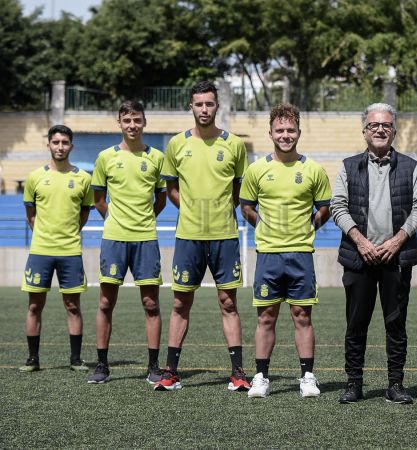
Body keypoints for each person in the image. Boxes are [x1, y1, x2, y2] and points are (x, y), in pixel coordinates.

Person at [154, 81, 250, 391]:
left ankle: (237, 373)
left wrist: (219, 210)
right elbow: (171, 189)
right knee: (181, 303)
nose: (204, 110)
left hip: (224, 236)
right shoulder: (176, 144)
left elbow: (239, 191)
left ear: (217, 106)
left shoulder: (234, 145)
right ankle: (171, 371)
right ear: (191, 107)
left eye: (209, 104)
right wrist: (193, 209)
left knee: (228, 302)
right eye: (199, 104)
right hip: (188, 236)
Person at [331, 103, 417, 404]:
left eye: (386, 125)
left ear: (394, 131)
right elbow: (337, 206)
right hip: (358, 256)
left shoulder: (412, 167)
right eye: (374, 125)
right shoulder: (348, 166)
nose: (380, 129)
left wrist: (397, 240)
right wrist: (361, 242)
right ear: (364, 131)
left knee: (395, 324)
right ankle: (354, 383)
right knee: (356, 324)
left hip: (396, 258)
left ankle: (395, 384)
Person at [239, 104, 332, 398]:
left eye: (290, 130)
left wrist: (309, 227)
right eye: (280, 130)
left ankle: (307, 377)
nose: (285, 135)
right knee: (266, 317)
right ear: (270, 133)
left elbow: (325, 208)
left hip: (300, 254)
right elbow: (246, 207)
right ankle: (261, 377)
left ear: (299, 132)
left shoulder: (313, 169)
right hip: (268, 254)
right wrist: (264, 226)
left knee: (301, 316)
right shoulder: (257, 170)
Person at [86, 101, 167, 384]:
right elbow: (98, 199)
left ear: (145, 122)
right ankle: (102, 365)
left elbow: (161, 199)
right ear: (119, 123)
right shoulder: (105, 157)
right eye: (127, 120)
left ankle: (154, 367)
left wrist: (143, 219)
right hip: (114, 239)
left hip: (146, 238)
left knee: (151, 303)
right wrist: (116, 220)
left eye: (137, 120)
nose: (132, 125)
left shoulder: (157, 157)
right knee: (106, 302)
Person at [19, 125, 92, 373]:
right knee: (34, 306)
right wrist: (44, 234)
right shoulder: (35, 177)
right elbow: (31, 214)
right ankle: (32, 359)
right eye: (56, 142)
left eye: (65, 142)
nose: (60, 147)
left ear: (71, 146)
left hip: (70, 251)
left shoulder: (83, 178)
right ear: (48, 144)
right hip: (40, 251)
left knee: (73, 306)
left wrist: (69, 233)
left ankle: (75, 359)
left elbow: (84, 213)